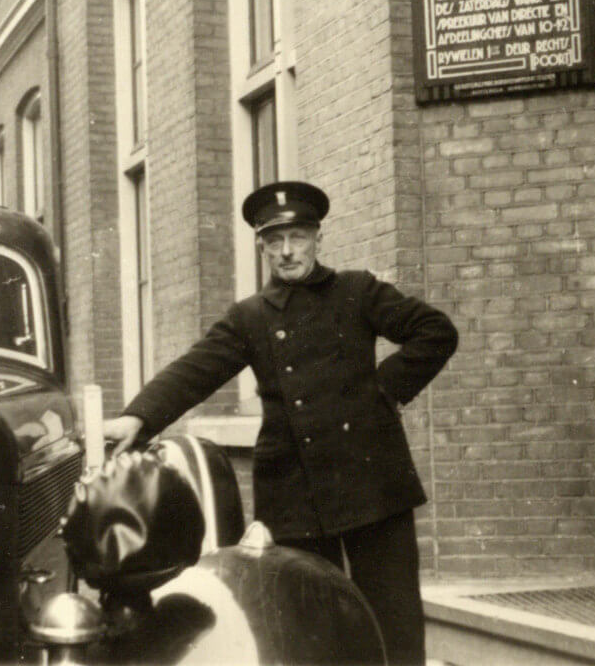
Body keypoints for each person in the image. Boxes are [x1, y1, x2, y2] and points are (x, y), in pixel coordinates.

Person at [103, 180, 457, 666]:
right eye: (275, 241)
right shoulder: (251, 316)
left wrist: (385, 390)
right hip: (296, 490)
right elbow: (195, 370)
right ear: (262, 246)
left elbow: (436, 332)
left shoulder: (358, 291)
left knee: (393, 618)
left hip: (372, 478)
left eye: (298, 238)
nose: (287, 252)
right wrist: (137, 417)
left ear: (317, 238)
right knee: (305, 619)